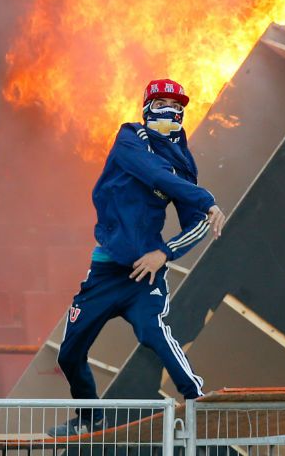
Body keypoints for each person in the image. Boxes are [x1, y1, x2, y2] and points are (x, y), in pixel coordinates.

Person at [48, 79, 227, 437]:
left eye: (178, 108)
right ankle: (89, 417)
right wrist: (207, 198)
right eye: (163, 104)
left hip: (144, 276)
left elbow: (195, 225)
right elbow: (154, 174)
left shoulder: (183, 164)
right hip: (104, 272)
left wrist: (165, 253)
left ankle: (196, 399)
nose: (172, 112)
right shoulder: (131, 137)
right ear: (147, 107)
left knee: (153, 332)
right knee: (68, 354)